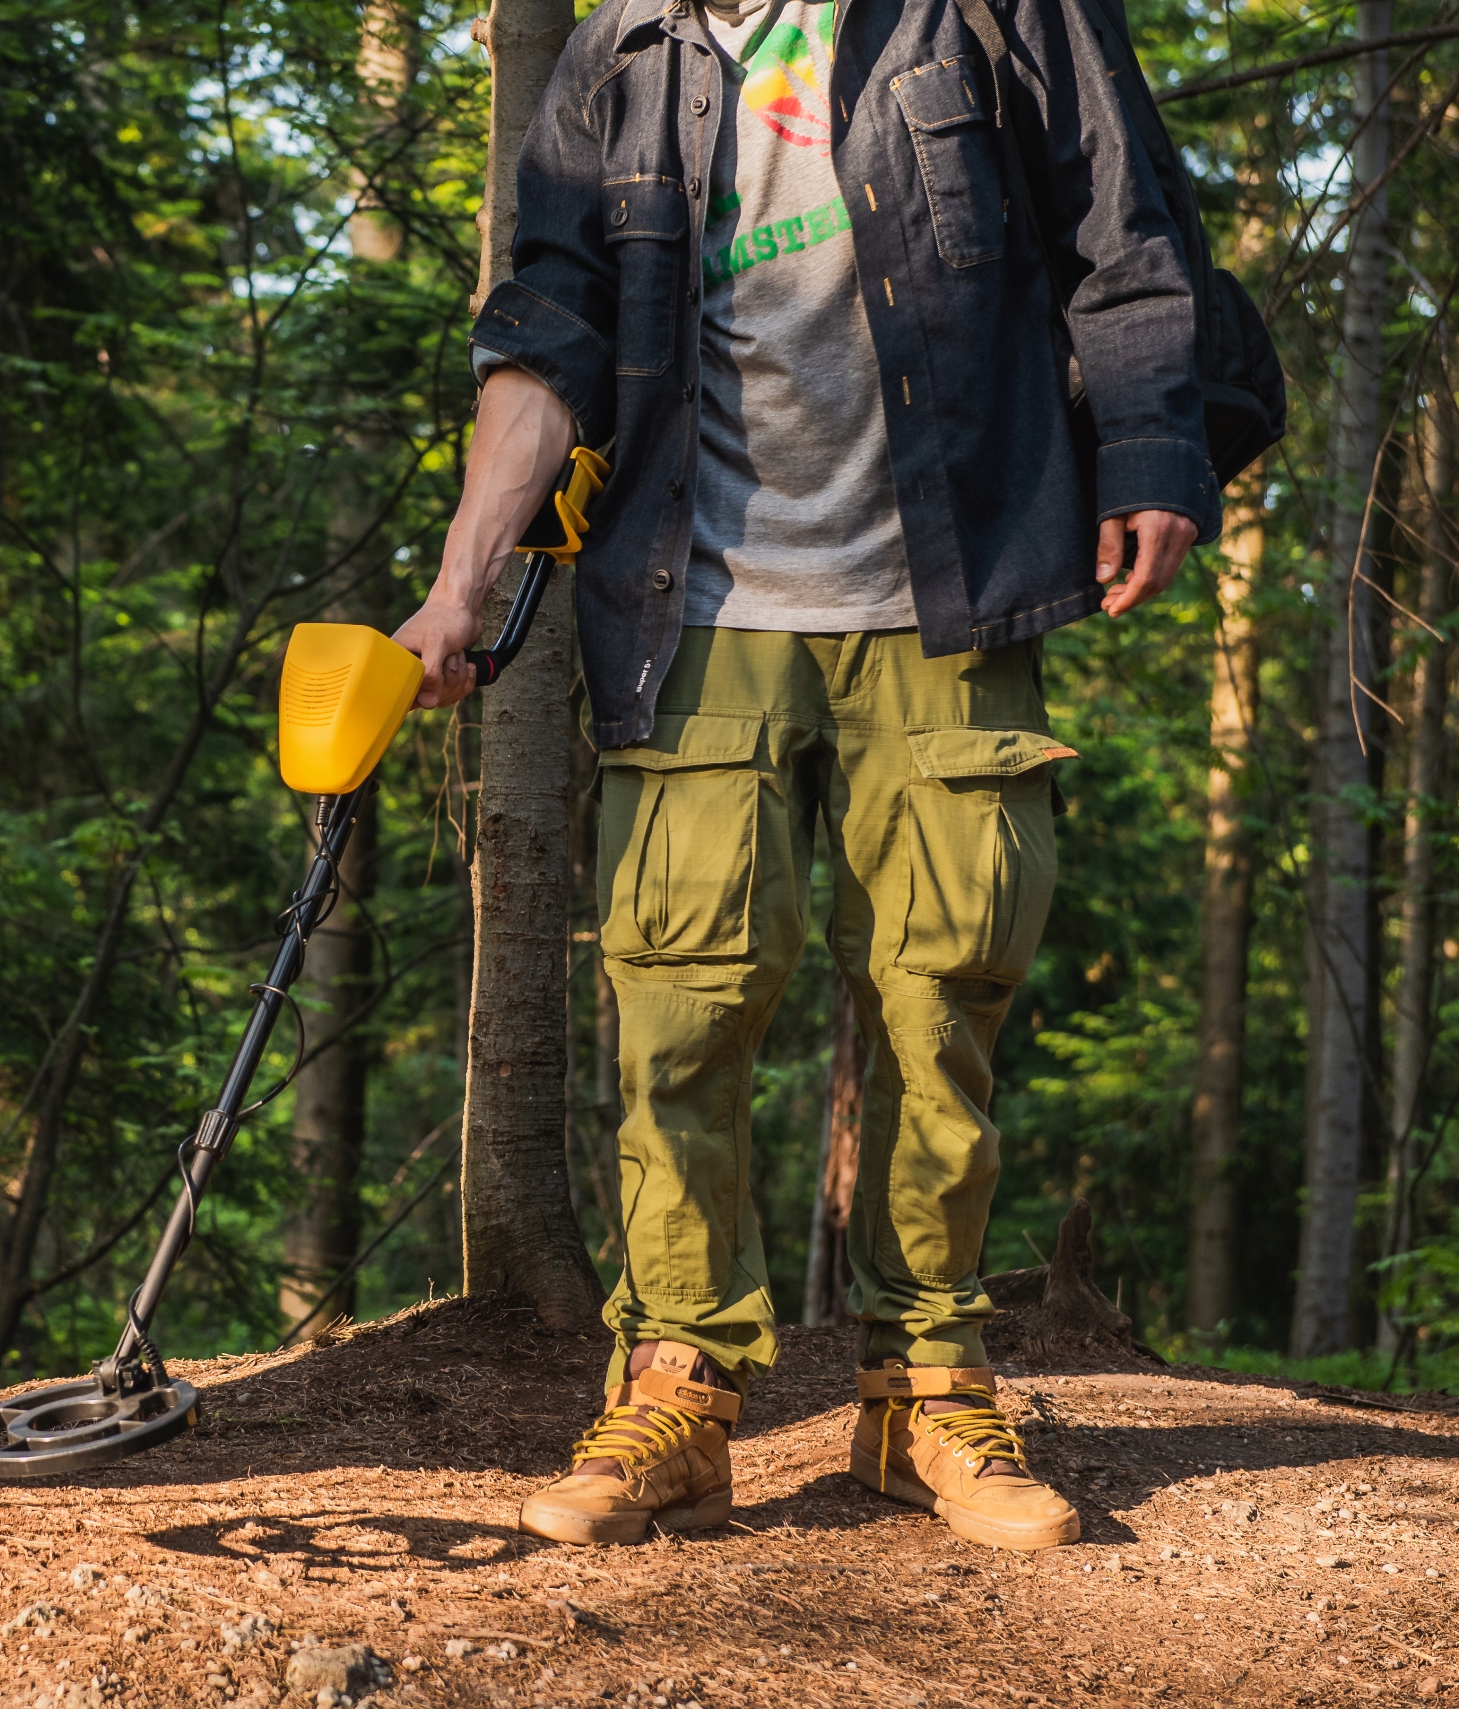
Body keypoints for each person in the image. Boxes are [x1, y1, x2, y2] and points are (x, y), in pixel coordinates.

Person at [393, 0, 1216, 1552]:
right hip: (694, 600)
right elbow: (547, 332)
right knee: (680, 1001)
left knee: (942, 985)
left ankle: (929, 1390)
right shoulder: (622, 56)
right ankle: (678, 1388)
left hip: (955, 575)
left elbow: (1124, 220)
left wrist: (1157, 450)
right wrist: (459, 580)